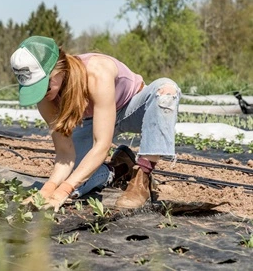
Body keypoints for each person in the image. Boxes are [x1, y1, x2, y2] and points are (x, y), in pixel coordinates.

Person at [10, 36, 181, 212]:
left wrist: (63, 190)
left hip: (131, 109)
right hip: (93, 120)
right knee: (75, 184)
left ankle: (142, 177)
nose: (42, 94)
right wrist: (48, 190)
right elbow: (65, 155)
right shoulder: (46, 98)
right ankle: (118, 168)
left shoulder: (96, 72)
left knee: (166, 90)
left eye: (44, 86)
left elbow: (102, 145)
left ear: (59, 69)